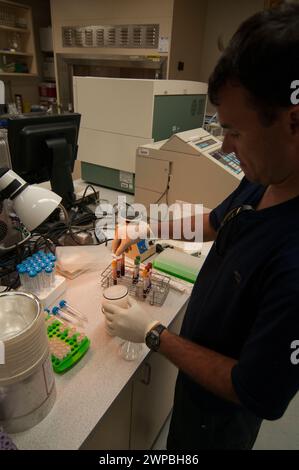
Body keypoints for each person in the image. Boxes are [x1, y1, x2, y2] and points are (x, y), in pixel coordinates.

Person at [102, 3, 299, 450]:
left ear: (293, 120)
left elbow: (254, 389)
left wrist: (153, 334)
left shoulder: (293, 260)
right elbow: (213, 222)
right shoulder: (267, 178)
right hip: (193, 385)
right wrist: (149, 225)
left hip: (221, 420)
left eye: (234, 131)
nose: (226, 148)